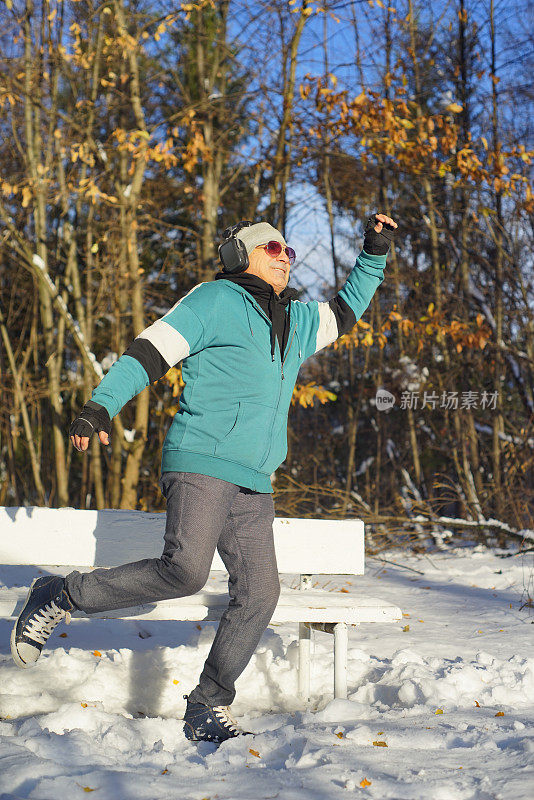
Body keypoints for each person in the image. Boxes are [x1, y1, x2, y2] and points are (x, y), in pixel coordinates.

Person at [11, 214, 397, 743]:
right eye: (275, 247)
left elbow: (347, 308)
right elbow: (148, 353)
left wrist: (373, 252)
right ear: (243, 255)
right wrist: (100, 407)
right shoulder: (213, 301)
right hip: (201, 462)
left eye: (289, 250)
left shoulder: (298, 321)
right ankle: (61, 594)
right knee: (186, 571)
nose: (288, 256)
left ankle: (208, 704)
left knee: (261, 594)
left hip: (255, 480)